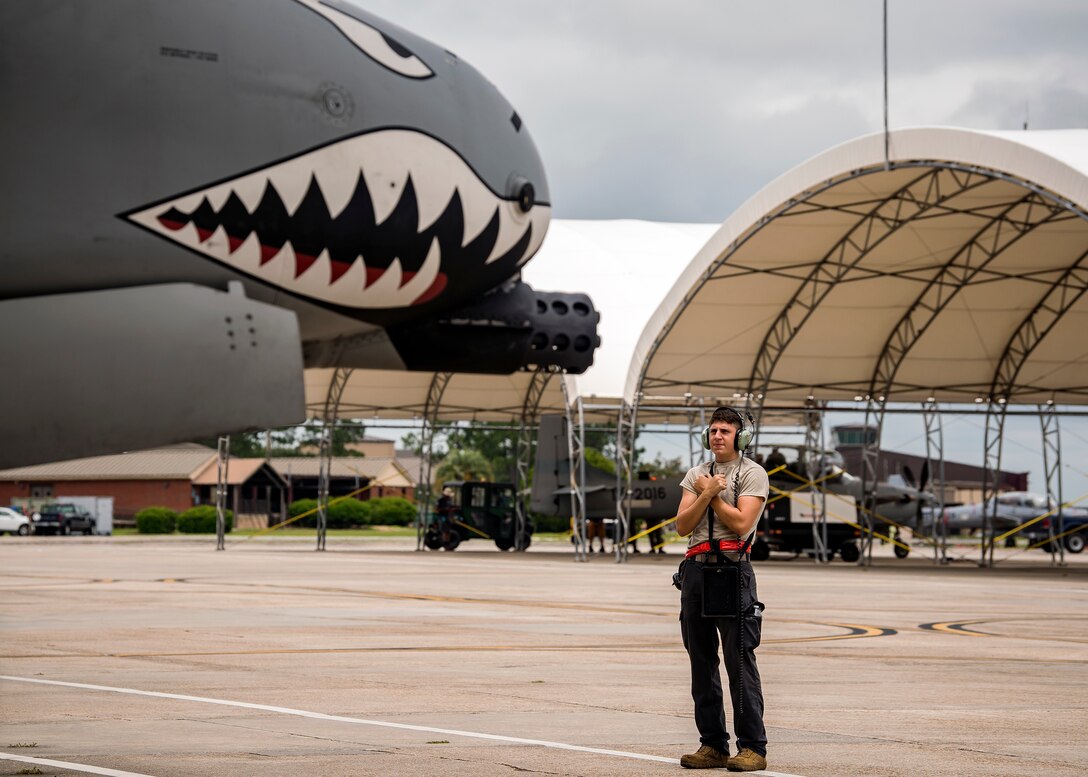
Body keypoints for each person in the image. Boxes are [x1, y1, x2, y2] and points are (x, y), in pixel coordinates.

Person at [674, 407, 770, 771]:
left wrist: (713, 495)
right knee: (701, 662)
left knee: (739, 662)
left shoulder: (752, 473)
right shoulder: (696, 474)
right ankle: (713, 745)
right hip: (696, 573)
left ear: (741, 437)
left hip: (733, 571)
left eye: (725, 431)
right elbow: (683, 525)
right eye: (713, 430)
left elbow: (743, 523)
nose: (717, 436)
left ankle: (753, 748)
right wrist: (706, 491)